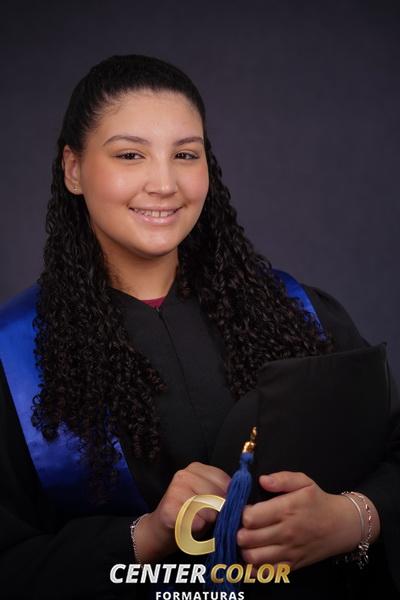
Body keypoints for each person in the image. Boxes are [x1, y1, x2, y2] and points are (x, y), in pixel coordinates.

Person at [0, 54, 399, 600]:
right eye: (130, 154)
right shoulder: (17, 356)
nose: (164, 183)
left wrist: (352, 518)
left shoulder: (295, 311)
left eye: (185, 154)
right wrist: (146, 536)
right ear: (73, 169)